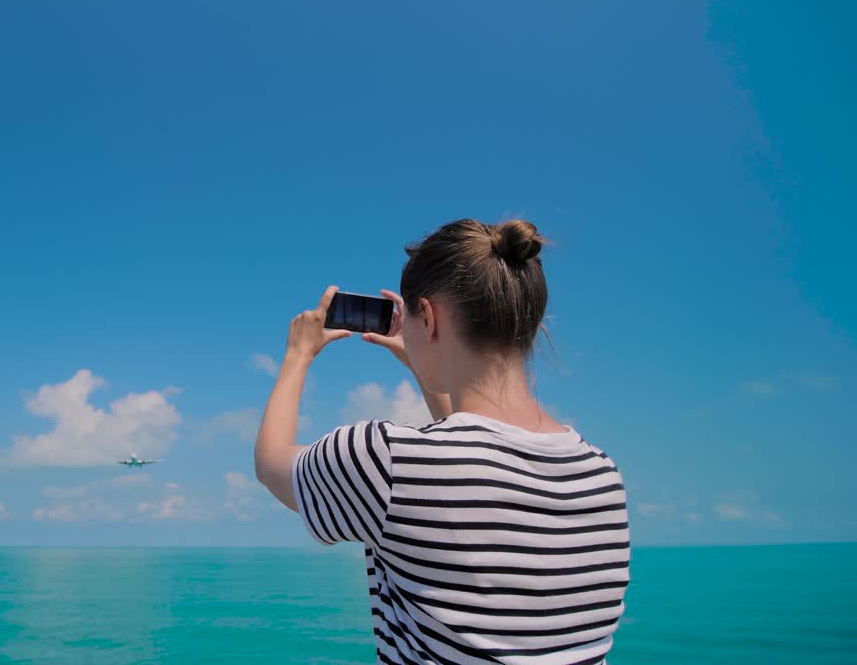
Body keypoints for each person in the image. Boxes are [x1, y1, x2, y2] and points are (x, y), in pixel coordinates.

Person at [254, 218, 629, 665]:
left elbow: (271, 463)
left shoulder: (386, 460)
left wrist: (298, 354)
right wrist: (423, 361)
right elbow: (475, 456)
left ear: (428, 317)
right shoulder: (601, 475)